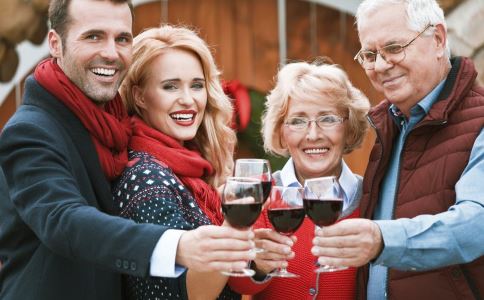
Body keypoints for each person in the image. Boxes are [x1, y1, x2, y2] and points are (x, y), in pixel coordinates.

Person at [0, 1, 254, 299]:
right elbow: (63, 220)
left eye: (122, 38)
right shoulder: (31, 130)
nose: (111, 52)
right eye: (93, 36)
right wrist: (176, 245)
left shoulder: (112, 122)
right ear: (55, 43)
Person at [311, 0, 484, 299]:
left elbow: (476, 224)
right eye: (369, 54)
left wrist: (380, 240)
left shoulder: (480, 120)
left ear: (439, 40)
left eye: (393, 48)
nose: (380, 66)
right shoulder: (389, 124)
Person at [113, 24, 241, 300]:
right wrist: (238, 224)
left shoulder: (193, 167)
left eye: (196, 85)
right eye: (170, 86)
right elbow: (187, 293)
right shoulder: (146, 178)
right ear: (139, 96)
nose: (188, 100)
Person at [229, 59, 370, 299]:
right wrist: (258, 267)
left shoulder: (372, 196)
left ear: (349, 128)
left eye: (328, 119)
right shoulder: (258, 196)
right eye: (297, 121)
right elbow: (237, 284)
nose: (313, 135)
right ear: (281, 133)